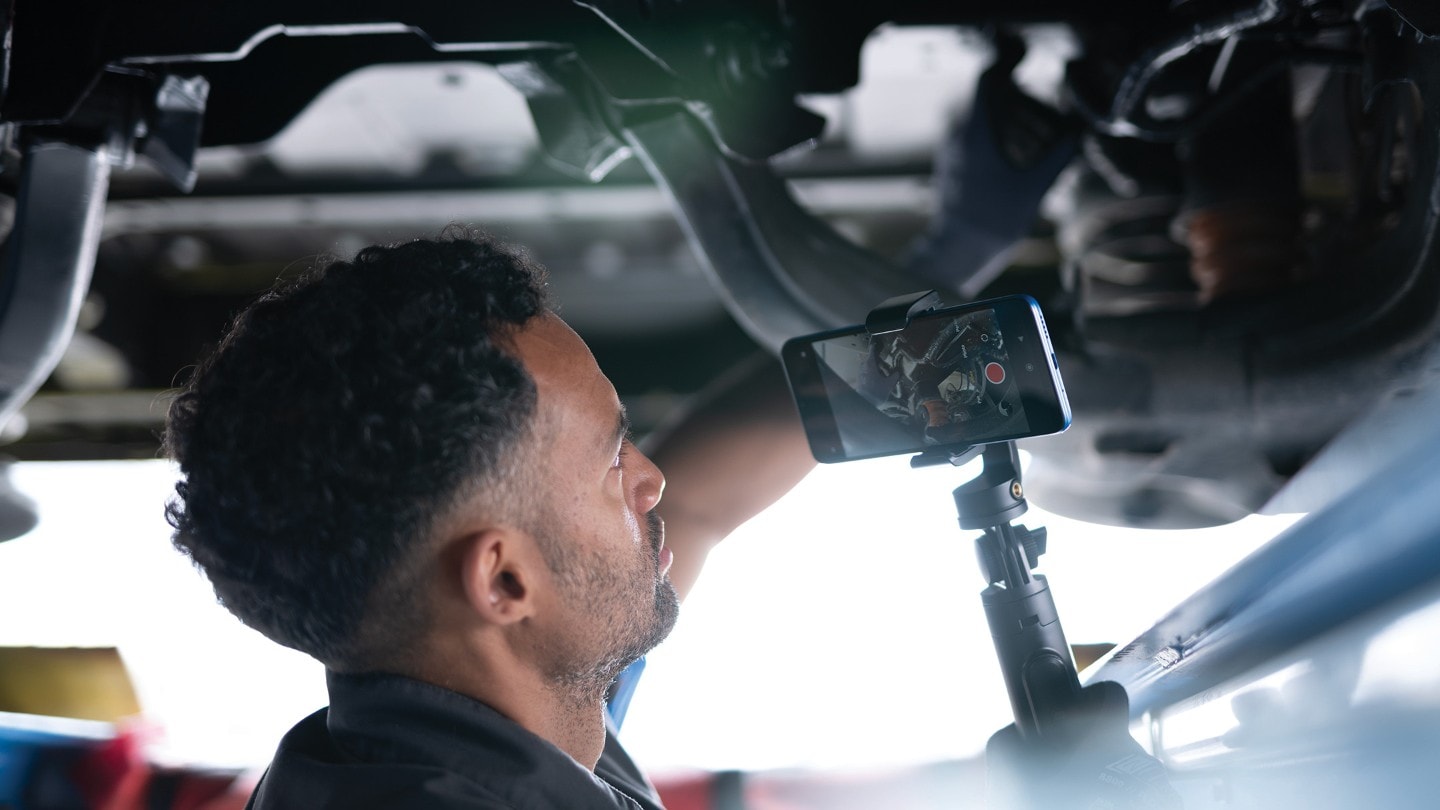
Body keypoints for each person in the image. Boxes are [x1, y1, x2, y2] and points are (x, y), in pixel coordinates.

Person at [162, 231, 814, 809]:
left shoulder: (459, 718)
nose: (652, 482)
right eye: (615, 460)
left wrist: (887, 368)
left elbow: (694, 506)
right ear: (503, 582)